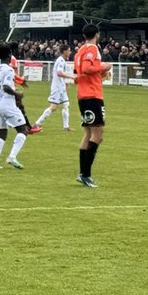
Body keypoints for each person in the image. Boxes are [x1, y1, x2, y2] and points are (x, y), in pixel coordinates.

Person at [74, 23, 112, 188]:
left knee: (89, 134)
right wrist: (103, 66)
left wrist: (100, 73)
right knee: (97, 135)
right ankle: (85, 174)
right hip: (92, 95)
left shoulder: (79, 51)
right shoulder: (92, 49)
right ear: (97, 34)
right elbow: (88, 68)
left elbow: (81, 72)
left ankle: (83, 173)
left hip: (84, 95)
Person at [0, 44, 30, 170]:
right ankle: (12, 157)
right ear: (10, 55)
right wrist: (17, 94)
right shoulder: (9, 69)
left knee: (1, 134)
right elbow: (5, 86)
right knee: (23, 130)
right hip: (7, 105)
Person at [34, 45, 76, 131]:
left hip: (61, 87)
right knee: (53, 107)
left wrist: (64, 83)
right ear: (64, 51)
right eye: (69, 50)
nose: (70, 52)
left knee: (66, 105)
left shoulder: (63, 60)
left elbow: (60, 75)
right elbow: (59, 73)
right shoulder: (60, 60)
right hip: (57, 88)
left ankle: (66, 127)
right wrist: (71, 76)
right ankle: (37, 124)